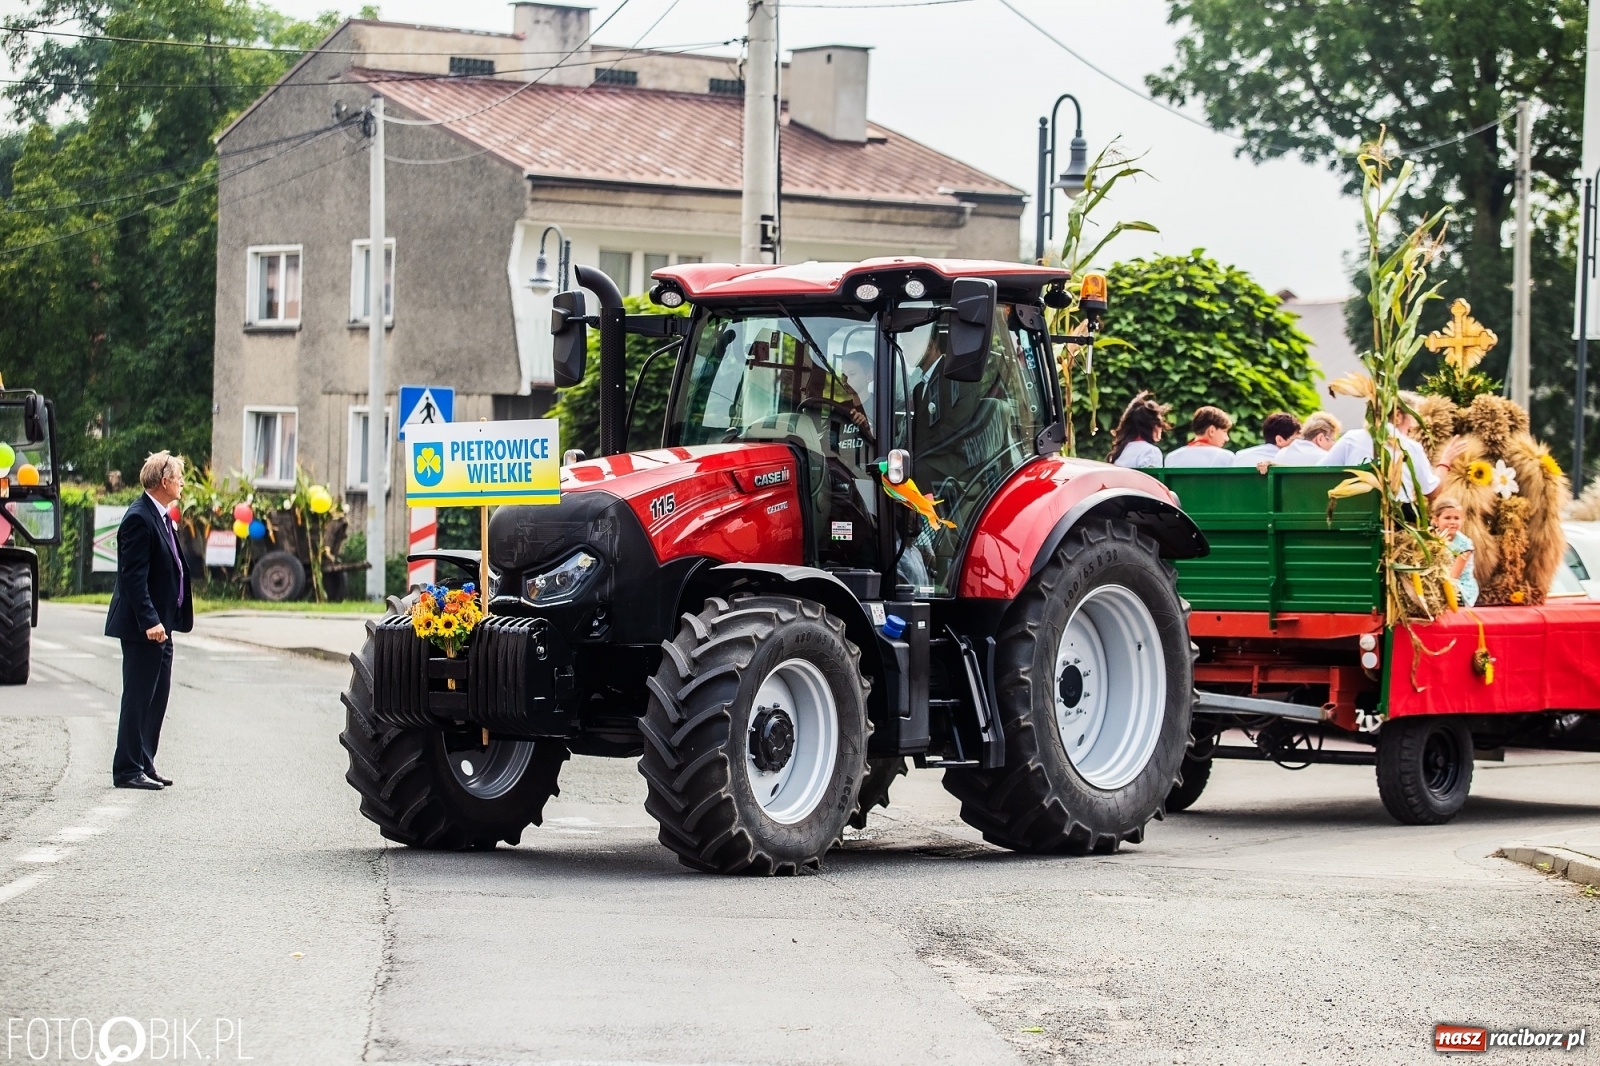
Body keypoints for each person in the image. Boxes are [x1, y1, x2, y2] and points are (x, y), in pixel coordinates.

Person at [105, 451, 194, 790]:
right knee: (139, 696)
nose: (182, 481)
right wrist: (150, 621)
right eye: (178, 475)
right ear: (163, 481)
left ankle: (145, 762)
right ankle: (127, 769)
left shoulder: (162, 516)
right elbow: (133, 577)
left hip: (163, 626)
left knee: (157, 697)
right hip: (146, 627)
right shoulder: (138, 518)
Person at [1319, 391, 1466, 505]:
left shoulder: (1351, 438)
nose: (1414, 426)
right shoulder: (1411, 448)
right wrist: (1445, 461)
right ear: (1397, 416)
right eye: (1413, 417)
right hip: (1395, 523)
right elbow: (1433, 492)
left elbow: (1319, 473)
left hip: (1351, 517)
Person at [1432, 497, 1478, 607]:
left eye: (1456, 518)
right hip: (1436, 581)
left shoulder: (1465, 545)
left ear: (1462, 521)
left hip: (1457, 585)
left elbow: (1453, 576)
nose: (1452, 522)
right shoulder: (1431, 539)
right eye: (1447, 518)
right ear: (1436, 520)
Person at [1110, 391, 1170, 469]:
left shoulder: (1120, 451)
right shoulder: (1150, 451)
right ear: (1154, 425)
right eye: (1160, 424)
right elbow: (1151, 480)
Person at [1163, 406, 1236, 468]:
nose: (1227, 438)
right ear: (1212, 431)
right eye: (1224, 432)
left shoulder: (1171, 458)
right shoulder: (1227, 458)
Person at [1265, 412, 1342, 467]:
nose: (1333, 446)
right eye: (1333, 440)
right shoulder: (1325, 458)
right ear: (1320, 438)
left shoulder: (1281, 454)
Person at [1232, 411, 1301, 466]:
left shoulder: (1240, 455)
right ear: (1279, 440)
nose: (1299, 443)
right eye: (1296, 439)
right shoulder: (1289, 461)